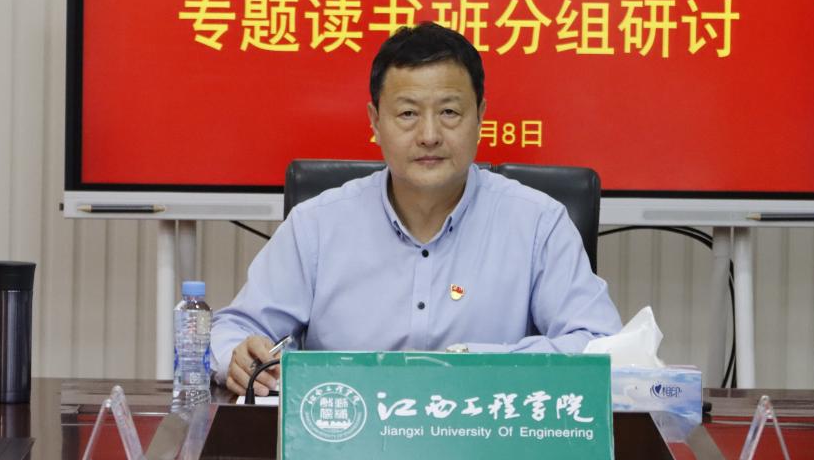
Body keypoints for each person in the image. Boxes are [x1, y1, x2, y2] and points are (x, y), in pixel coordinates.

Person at [212, 22, 622, 396]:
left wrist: (475, 363)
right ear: (375, 122)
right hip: (347, 438)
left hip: (490, 442)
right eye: (408, 113)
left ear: (480, 116)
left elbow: (600, 345)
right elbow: (235, 330)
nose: (429, 135)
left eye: (449, 112)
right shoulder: (317, 225)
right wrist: (239, 356)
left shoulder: (537, 223)